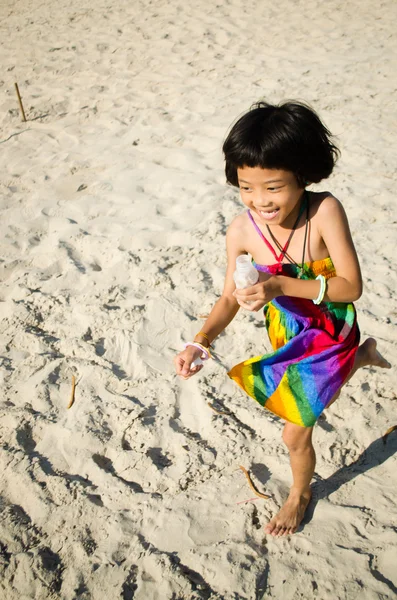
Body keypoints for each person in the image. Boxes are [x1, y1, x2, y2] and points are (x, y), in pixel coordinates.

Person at [174, 101, 390, 537]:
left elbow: (350, 287)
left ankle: (299, 495)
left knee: (293, 436)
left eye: (273, 188)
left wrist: (278, 286)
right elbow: (229, 299)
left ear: (303, 175)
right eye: (246, 187)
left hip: (330, 329)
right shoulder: (241, 230)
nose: (260, 201)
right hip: (288, 332)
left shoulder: (324, 211)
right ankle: (361, 359)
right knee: (306, 399)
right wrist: (201, 340)